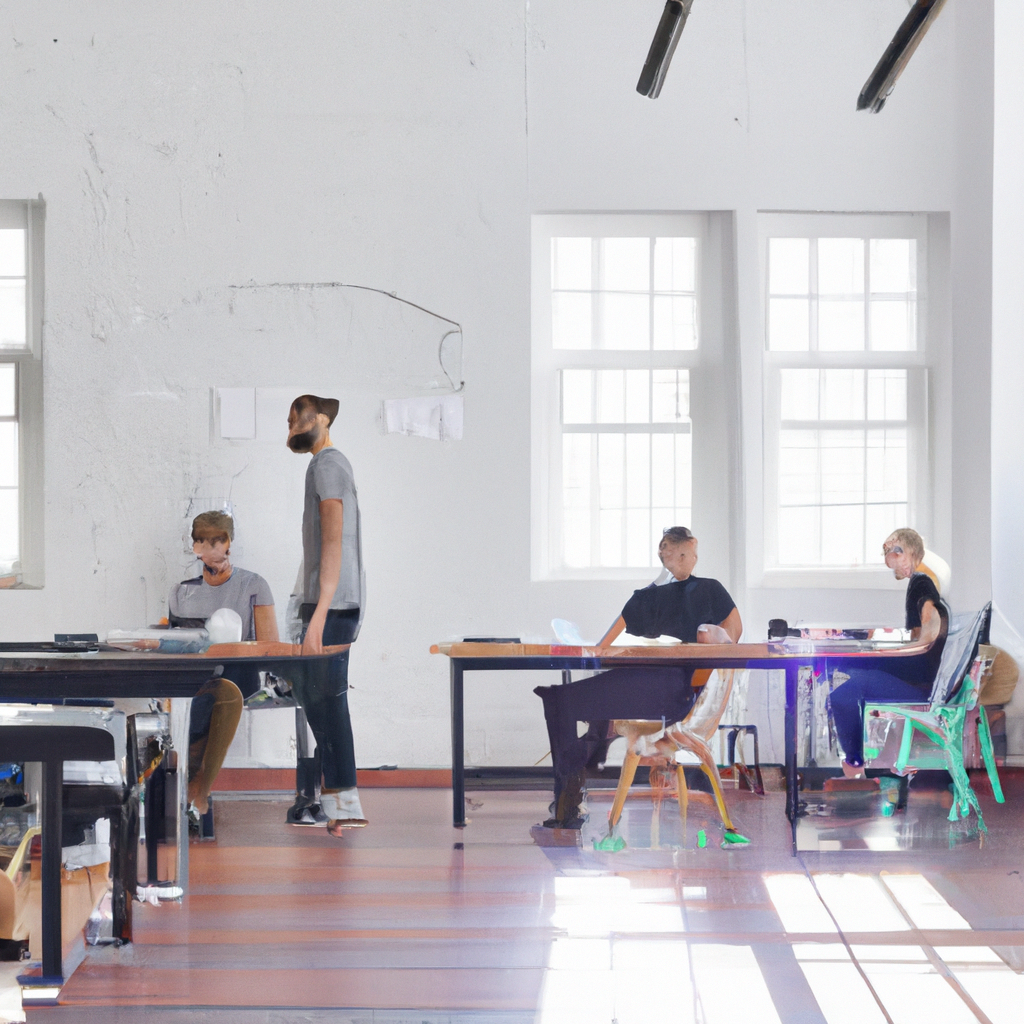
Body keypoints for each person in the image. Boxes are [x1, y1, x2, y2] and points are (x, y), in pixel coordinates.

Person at [534, 527, 742, 829]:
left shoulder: (709, 589)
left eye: (684, 553)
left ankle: (570, 794)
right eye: (671, 554)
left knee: (561, 702)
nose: (680, 560)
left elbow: (733, 640)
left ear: (693, 552)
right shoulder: (654, 595)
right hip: (650, 681)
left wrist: (713, 637)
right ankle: (572, 787)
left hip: (671, 692)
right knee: (559, 700)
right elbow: (613, 634)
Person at [286, 393, 367, 838]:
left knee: (328, 703)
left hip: (332, 604)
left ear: (318, 419)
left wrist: (317, 615)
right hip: (326, 600)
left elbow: (334, 542)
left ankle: (346, 803)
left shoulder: (328, 465)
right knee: (317, 699)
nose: (291, 428)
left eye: (296, 419)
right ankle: (340, 805)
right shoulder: (321, 466)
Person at [168, 510, 279, 816]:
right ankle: (192, 794)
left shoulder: (253, 584)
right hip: (196, 673)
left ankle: (196, 791)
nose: (211, 548)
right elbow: (176, 643)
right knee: (196, 695)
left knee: (220, 692)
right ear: (195, 546)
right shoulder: (182, 591)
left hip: (238, 672)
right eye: (203, 541)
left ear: (230, 542)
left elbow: (270, 645)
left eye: (218, 540)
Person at [830, 527, 950, 778]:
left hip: (919, 684)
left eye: (897, 554)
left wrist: (884, 654)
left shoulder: (921, 582)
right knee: (850, 675)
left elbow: (924, 632)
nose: (894, 563)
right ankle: (859, 762)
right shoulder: (920, 581)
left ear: (911, 552)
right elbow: (920, 637)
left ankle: (853, 767)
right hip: (920, 677)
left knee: (844, 690)